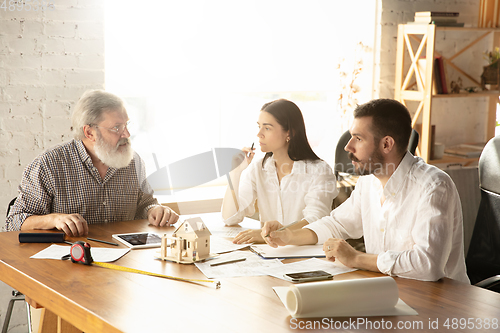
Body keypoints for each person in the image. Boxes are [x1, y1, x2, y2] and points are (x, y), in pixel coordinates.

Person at [263, 98, 469, 283]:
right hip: (386, 292)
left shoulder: (433, 186)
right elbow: (336, 224)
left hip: (440, 305)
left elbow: (427, 265)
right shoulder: (368, 182)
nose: (348, 147)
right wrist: (290, 235)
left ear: (386, 144)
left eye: (358, 139)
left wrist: (356, 258)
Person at [6, 90, 179, 236]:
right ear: (89, 132)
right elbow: (14, 222)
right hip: (67, 262)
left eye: (126, 125)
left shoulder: (133, 162)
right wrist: (54, 219)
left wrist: (155, 209)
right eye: (116, 127)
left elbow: (144, 203)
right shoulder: (49, 165)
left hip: (124, 262)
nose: (126, 134)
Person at [222, 99, 338, 244]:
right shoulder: (258, 168)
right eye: (259, 127)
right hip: (270, 254)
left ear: (289, 133)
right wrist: (235, 172)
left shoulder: (319, 171)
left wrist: (272, 235)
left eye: (267, 128)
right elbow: (230, 218)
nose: (259, 134)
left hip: (304, 254)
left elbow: (315, 220)